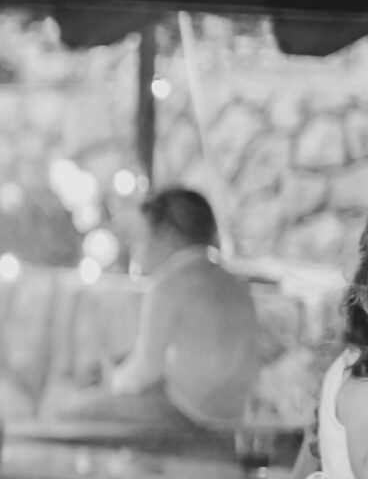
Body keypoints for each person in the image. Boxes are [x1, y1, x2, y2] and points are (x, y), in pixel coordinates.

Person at [57, 186, 266, 440]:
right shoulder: (234, 282)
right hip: (233, 411)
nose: (137, 246)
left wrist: (113, 381)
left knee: (71, 417)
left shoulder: (169, 285)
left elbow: (147, 369)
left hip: (189, 410)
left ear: (167, 235)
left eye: (142, 235)